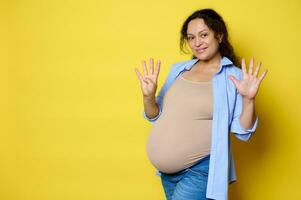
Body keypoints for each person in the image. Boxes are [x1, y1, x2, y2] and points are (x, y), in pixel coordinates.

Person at [134, 8, 267, 200]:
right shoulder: (178, 70)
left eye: (204, 35)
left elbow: (243, 132)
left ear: (219, 35)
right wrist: (148, 97)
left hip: (199, 172)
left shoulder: (233, 76)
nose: (197, 43)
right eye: (191, 37)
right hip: (167, 175)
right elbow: (155, 115)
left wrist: (248, 100)